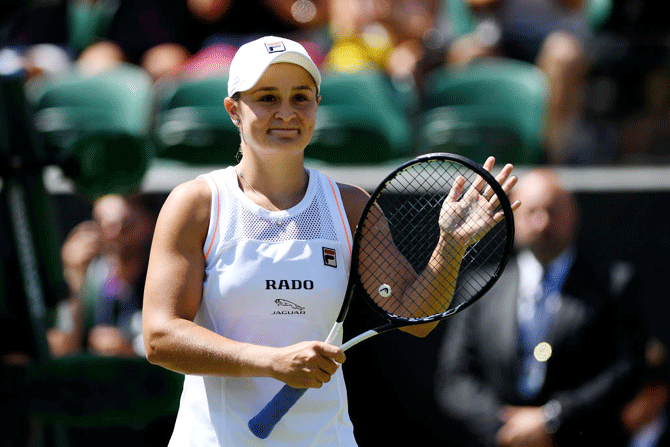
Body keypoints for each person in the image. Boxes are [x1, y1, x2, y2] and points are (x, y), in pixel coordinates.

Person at [141, 35, 520, 446]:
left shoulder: (349, 205)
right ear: (234, 110)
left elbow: (414, 318)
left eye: (300, 98)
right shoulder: (196, 204)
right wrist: (271, 362)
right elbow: (161, 337)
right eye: (267, 98)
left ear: (317, 106)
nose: (286, 113)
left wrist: (450, 244)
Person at [435, 168, 644, 447]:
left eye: (553, 211)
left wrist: (553, 420)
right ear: (513, 218)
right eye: (531, 211)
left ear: (574, 215)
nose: (543, 222)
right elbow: (454, 378)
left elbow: (627, 369)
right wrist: (505, 425)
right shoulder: (479, 288)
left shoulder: (614, 285)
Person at [442, 0, 591, 164]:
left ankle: (549, 159)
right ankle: (474, 155)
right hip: (500, 38)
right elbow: (475, 5)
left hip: (555, 36)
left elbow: (575, 4)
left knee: (564, 55)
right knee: (464, 53)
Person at [48, 193, 155, 358]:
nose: (114, 234)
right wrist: (73, 275)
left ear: (147, 224)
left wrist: (128, 348)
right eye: (103, 225)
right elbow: (61, 348)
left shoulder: (160, 276)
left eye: (125, 224)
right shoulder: (89, 278)